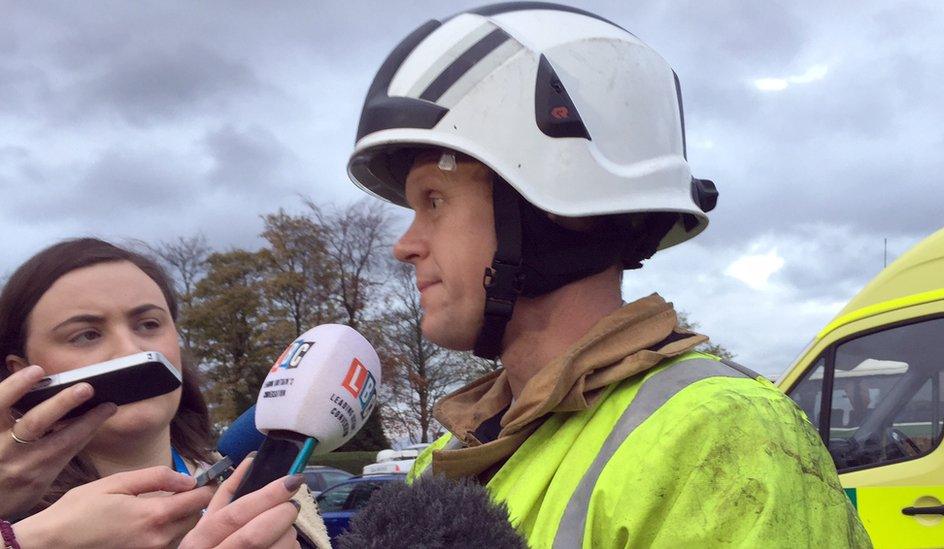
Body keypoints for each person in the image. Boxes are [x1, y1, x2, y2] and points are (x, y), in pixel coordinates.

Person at [346, 4, 872, 547]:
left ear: (557, 204)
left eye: (435, 200)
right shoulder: (448, 456)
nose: (404, 246)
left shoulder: (721, 433)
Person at [0, 238, 327, 548]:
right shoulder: (15, 519)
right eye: (86, 335)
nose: (131, 349)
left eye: (149, 324)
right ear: (21, 373)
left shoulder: (268, 492)